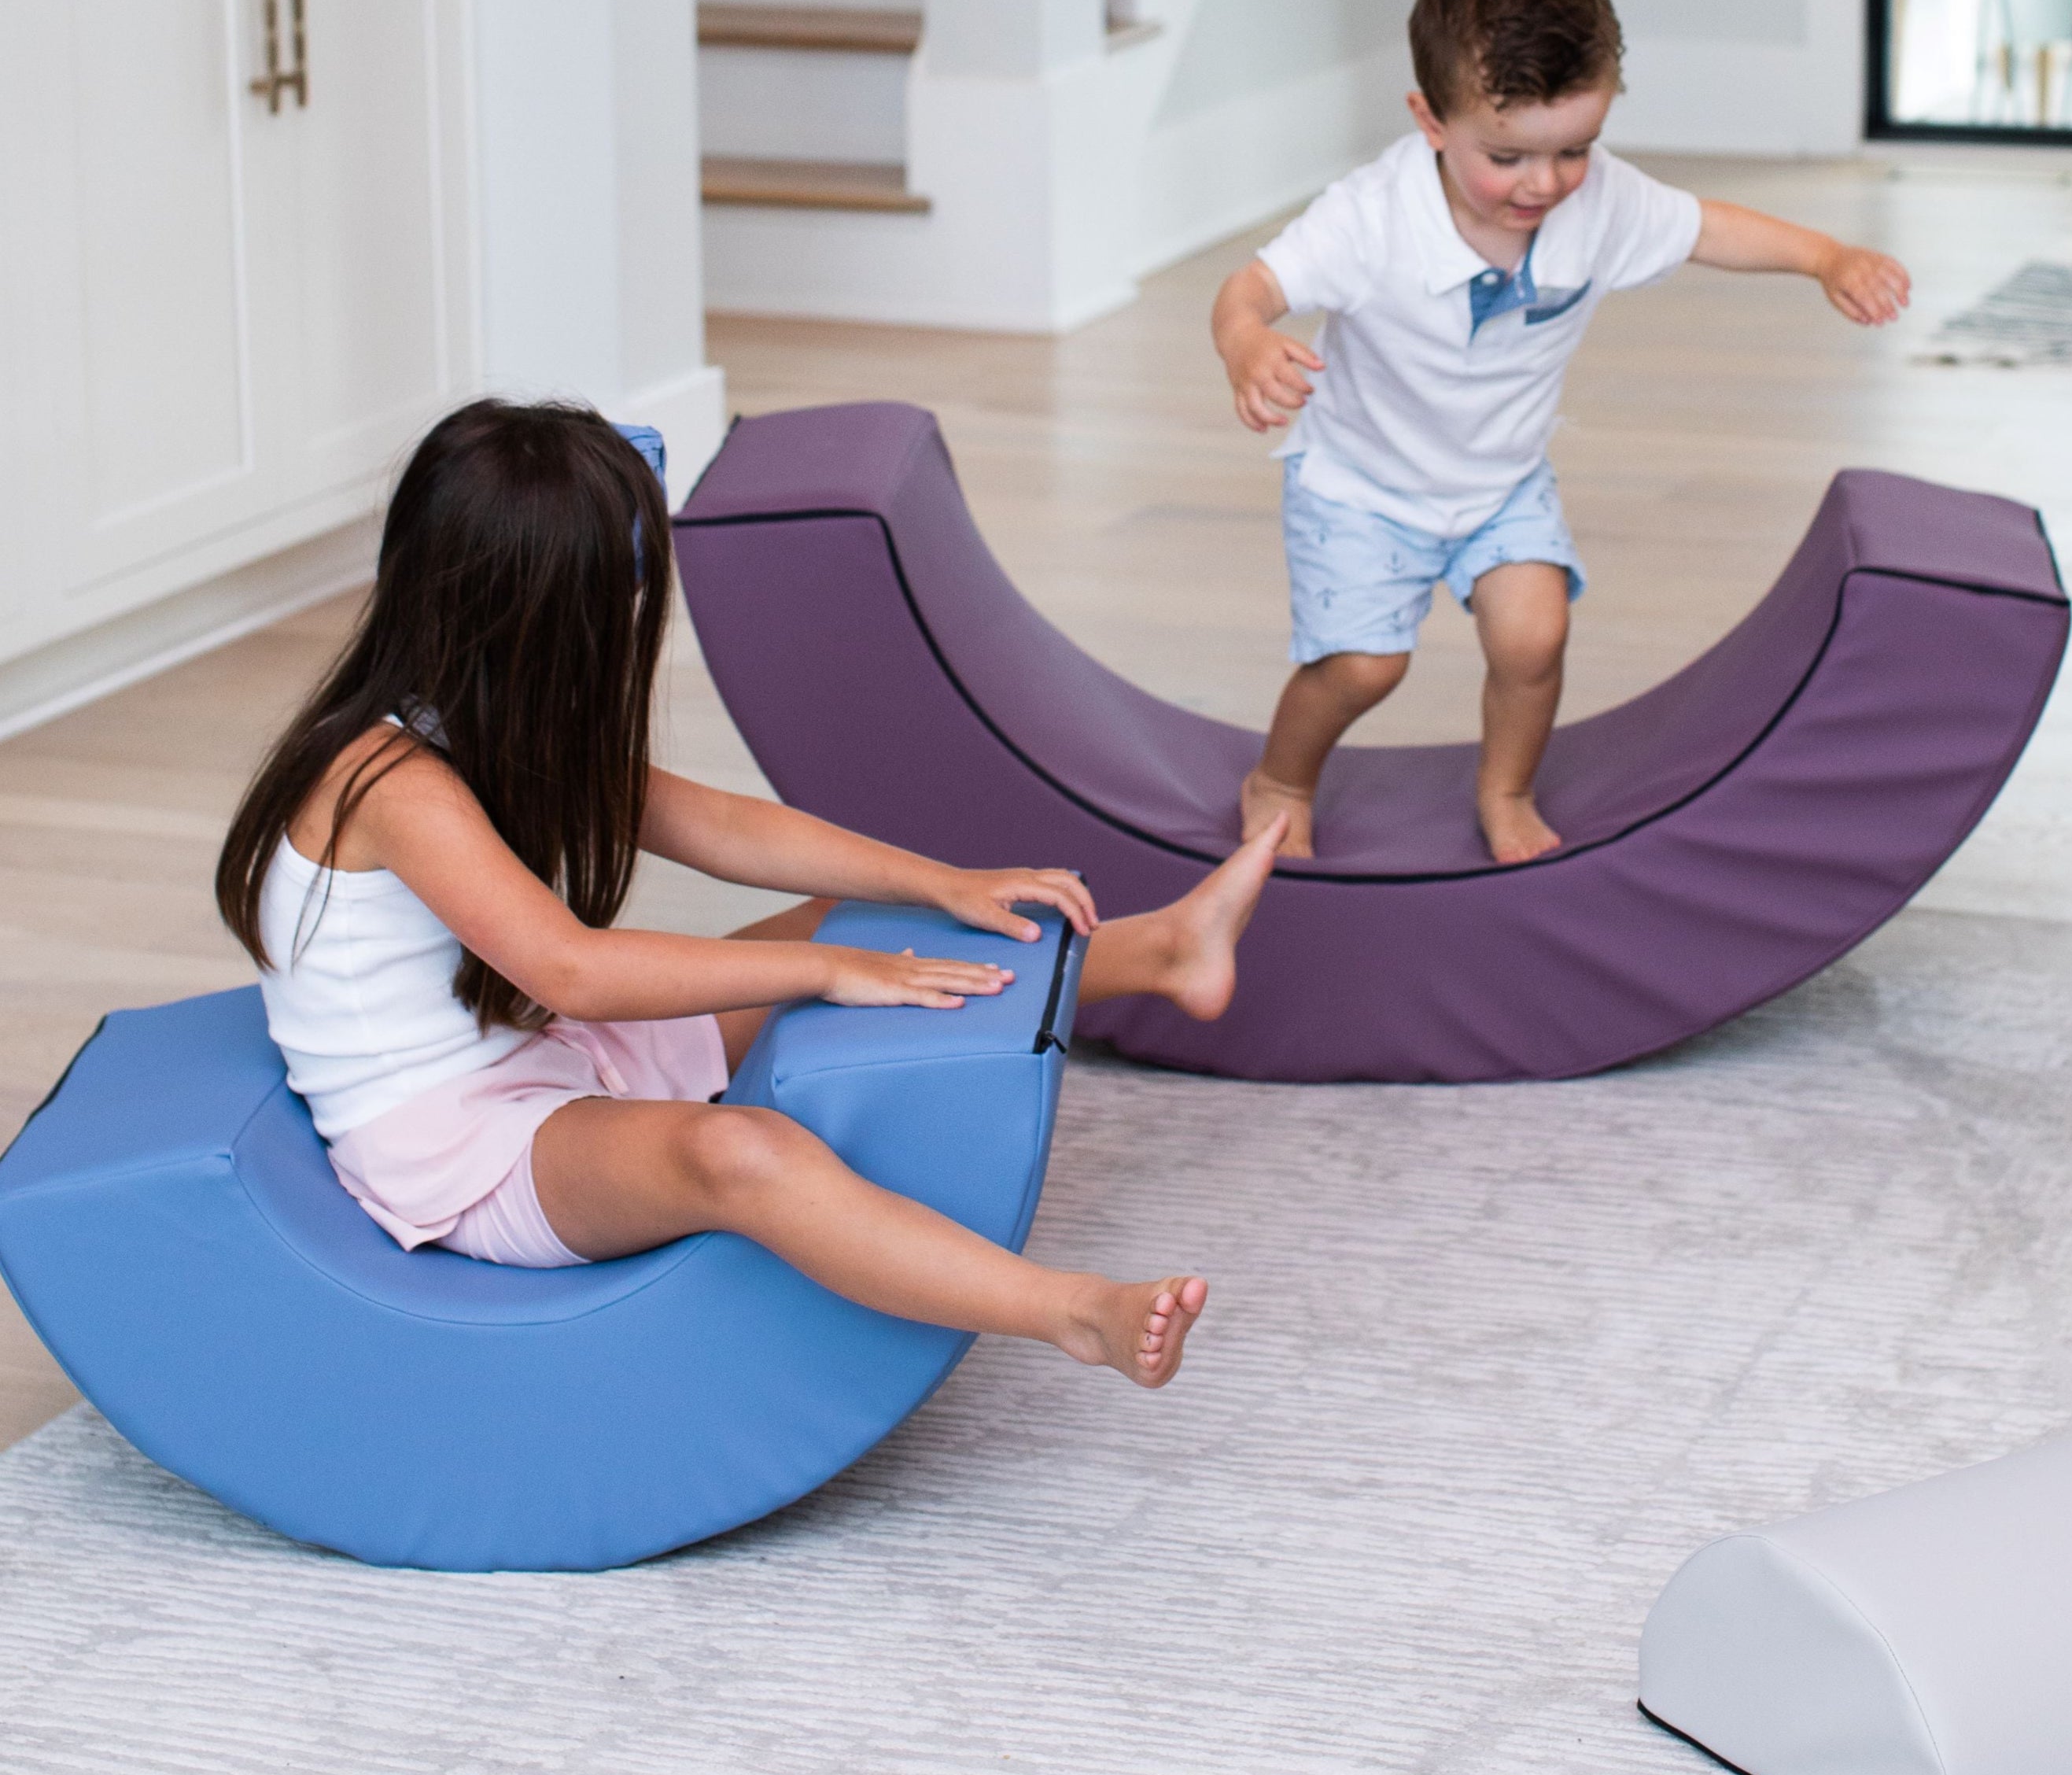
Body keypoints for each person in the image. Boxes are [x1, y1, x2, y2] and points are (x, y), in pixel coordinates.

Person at [216, 400, 1285, 1389]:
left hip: (548, 1050)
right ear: (529, 621)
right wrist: (826, 970)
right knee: (742, 1153)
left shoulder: (480, 718)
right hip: (457, 1145)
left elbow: (721, 826)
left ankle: (1161, 954)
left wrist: (939, 881)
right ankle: (1075, 1313)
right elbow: (568, 964)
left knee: (864, 928)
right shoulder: (391, 783)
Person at [1212, 0, 1912, 865]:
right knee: (1363, 666)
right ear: (1430, 120)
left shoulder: (1598, 201)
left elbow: (1709, 228)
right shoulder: (1370, 217)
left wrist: (1827, 256)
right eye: (1507, 156)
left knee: (1535, 635)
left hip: (1499, 481)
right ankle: (1282, 780)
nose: (1543, 184)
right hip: (1362, 484)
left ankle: (1504, 790)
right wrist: (1248, 343)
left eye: (1573, 149)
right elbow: (1249, 289)